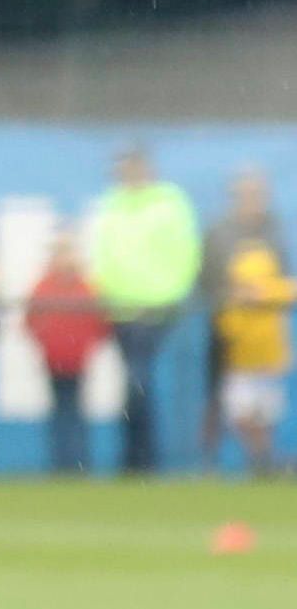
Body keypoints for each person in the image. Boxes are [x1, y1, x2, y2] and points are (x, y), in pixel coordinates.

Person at [84, 145, 201, 476]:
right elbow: (103, 257)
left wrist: (170, 296)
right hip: (120, 312)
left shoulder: (168, 203)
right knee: (135, 384)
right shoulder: (113, 205)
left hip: (159, 311)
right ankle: (136, 460)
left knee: (142, 382)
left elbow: (185, 253)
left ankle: (145, 460)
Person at [199, 168, 280, 470]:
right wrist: (232, 296)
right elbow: (206, 279)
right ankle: (212, 461)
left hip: (266, 332)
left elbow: (283, 279)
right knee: (226, 401)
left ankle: (260, 461)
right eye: (246, 195)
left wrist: (265, 293)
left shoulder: (273, 231)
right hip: (228, 328)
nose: (252, 201)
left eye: (257, 195)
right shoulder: (219, 233)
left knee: (266, 406)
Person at [22, 236, 108, 475]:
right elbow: (31, 321)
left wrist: (83, 347)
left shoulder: (85, 287)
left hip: (78, 362)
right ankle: (60, 465)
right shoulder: (44, 286)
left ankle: (79, 464)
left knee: (76, 412)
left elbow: (100, 324)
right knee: (60, 412)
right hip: (53, 361)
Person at [214, 227, 293, 477]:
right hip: (242, 366)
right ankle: (266, 458)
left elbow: (289, 290)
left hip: (269, 364)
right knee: (241, 416)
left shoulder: (275, 289)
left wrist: (262, 294)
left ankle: (263, 463)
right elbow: (227, 331)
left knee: (266, 418)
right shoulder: (232, 304)